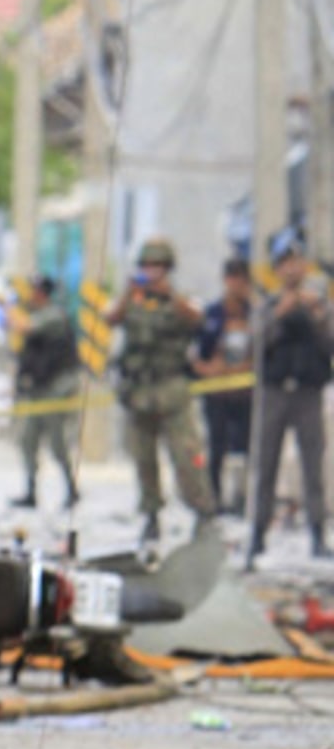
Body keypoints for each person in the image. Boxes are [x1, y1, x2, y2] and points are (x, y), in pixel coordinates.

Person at [104, 236, 215, 545]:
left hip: (171, 389)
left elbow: (198, 319)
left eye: (158, 267)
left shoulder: (179, 300)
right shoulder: (133, 300)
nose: (152, 272)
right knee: (143, 459)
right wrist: (128, 294)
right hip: (138, 391)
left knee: (187, 456)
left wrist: (170, 296)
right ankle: (151, 515)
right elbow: (110, 318)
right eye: (147, 266)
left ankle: (203, 511)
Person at [250, 226, 334, 559]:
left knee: (313, 465)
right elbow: (257, 344)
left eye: (296, 262)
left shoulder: (319, 303)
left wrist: (318, 315)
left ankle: (317, 533)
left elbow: (329, 343)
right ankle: (257, 532)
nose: (292, 269)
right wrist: (281, 313)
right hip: (274, 393)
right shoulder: (268, 305)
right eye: (285, 263)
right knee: (265, 464)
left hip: (307, 392)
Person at [9, 275, 80, 510]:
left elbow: (24, 326)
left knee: (57, 443)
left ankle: (71, 489)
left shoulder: (53, 315)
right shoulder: (37, 314)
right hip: (37, 390)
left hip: (54, 391)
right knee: (27, 440)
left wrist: (7, 305)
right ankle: (30, 491)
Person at [194, 258, 256, 514]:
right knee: (216, 447)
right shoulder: (212, 313)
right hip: (216, 393)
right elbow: (196, 353)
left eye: (240, 278)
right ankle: (214, 499)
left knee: (247, 448)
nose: (236, 284)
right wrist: (209, 370)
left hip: (246, 393)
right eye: (232, 278)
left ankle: (243, 498)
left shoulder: (255, 313)